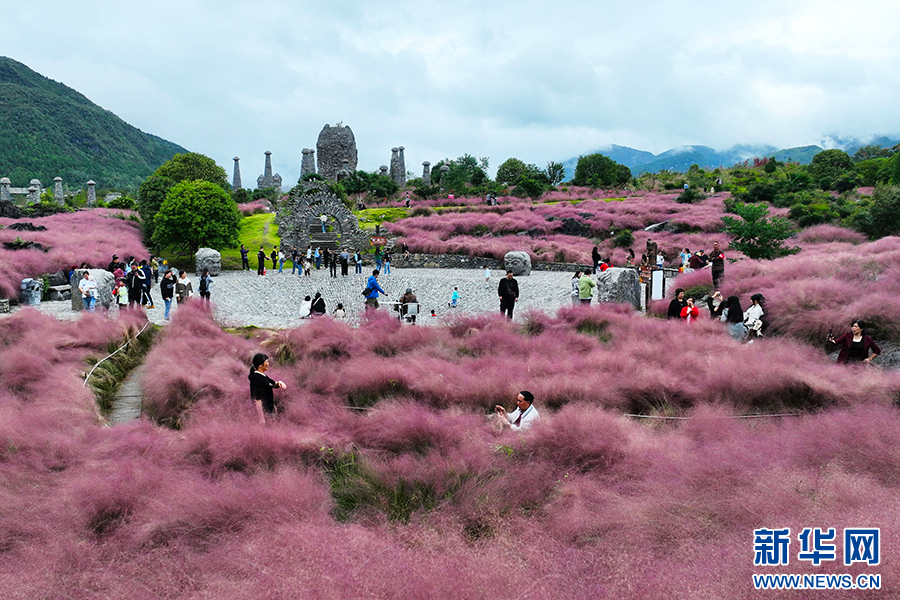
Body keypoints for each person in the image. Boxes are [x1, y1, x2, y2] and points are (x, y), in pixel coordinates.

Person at [249, 353, 286, 424]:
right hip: (264, 414)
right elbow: (257, 400)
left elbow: (272, 384)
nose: (268, 364)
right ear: (260, 365)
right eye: (266, 362)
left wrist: (279, 383)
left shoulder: (263, 376)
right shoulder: (256, 378)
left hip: (269, 411)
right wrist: (261, 418)